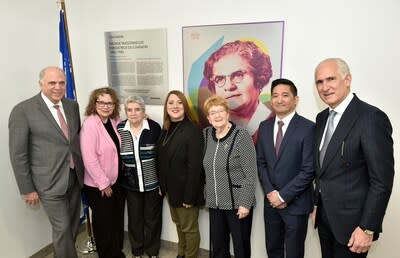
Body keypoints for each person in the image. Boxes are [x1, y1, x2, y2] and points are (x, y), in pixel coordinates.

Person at [313, 58, 394, 258]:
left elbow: (381, 181)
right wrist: (317, 203)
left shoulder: (371, 118)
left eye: (330, 79)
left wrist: (367, 228)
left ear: (347, 79)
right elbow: (324, 170)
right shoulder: (321, 118)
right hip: (325, 221)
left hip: (353, 228)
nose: (325, 87)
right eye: (319, 82)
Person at [8, 66, 84, 258]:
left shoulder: (71, 105)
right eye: (52, 83)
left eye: (61, 82)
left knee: (73, 225)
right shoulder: (23, 110)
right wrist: (27, 189)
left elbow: (75, 140)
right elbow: (18, 154)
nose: (58, 87)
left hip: (74, 178)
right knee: (63, 228)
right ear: (41, 84)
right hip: (47, 183)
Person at [256, 78, 315, 258]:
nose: (279, 100)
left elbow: (309, 169)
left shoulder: (309, 128)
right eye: (275, 95)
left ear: (295, 99)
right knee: (273, 248)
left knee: (294, 252)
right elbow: (261, 163)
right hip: (271, 202)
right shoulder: (264, 127)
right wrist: (271, 193)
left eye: (285, 95)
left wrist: (283, 196)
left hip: (296, 204)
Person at [203, 95, 257, 258]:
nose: (217, 115)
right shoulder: (206, 134)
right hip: (215, 203)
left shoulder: (241, 136)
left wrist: (245, 203)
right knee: (218, 247)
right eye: (213, 113)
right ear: (208, 118)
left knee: (241, 248)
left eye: (221, 111)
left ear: (228, 114)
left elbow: (251, 173)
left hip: (237, 204)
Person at [156, 90, 204, 258]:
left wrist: (189, 197)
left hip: (186, 192)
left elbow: (195, 167)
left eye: (179, 102)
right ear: (166, 107)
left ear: (185, 106)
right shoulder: (166, 129)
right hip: (171, 190)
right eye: (171, 103)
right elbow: (161, 160)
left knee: (189, 229)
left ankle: (190, 256)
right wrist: (162, 186)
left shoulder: (192, 131)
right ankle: (181, 254)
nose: (175, 106)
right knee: (179, 225)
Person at [80, 87, 125, 258]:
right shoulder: (91, 124)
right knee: (104, 224)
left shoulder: (113, 121)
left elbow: (125, 127)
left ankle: (116, 252)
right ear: (94, 103)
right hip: (99, 186)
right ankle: (107, 254)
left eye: (109, 103)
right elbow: (89, 158)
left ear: (114, 105)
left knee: (115, 221)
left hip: (116, 181)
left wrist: (143, 117)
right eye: (101, 102)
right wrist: (103, 184)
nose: (105, 106)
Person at [117, 96, 162, 258]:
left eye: (137, 109)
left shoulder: (154, 128)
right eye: (130, 109)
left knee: (152, 219)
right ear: (125, 111)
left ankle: (152, 252)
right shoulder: (120, 128)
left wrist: (161, 184)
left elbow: (161, 158)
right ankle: (137, 251)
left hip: (152, 183)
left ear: (144, 112)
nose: (133, 113)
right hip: (130, 184)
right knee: (135, 220)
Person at [203, 40, 274, 141]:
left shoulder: (275, 124)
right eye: (219, 79)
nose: (228, 86)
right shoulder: (212, 131)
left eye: (238, 75)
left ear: (259, 78)